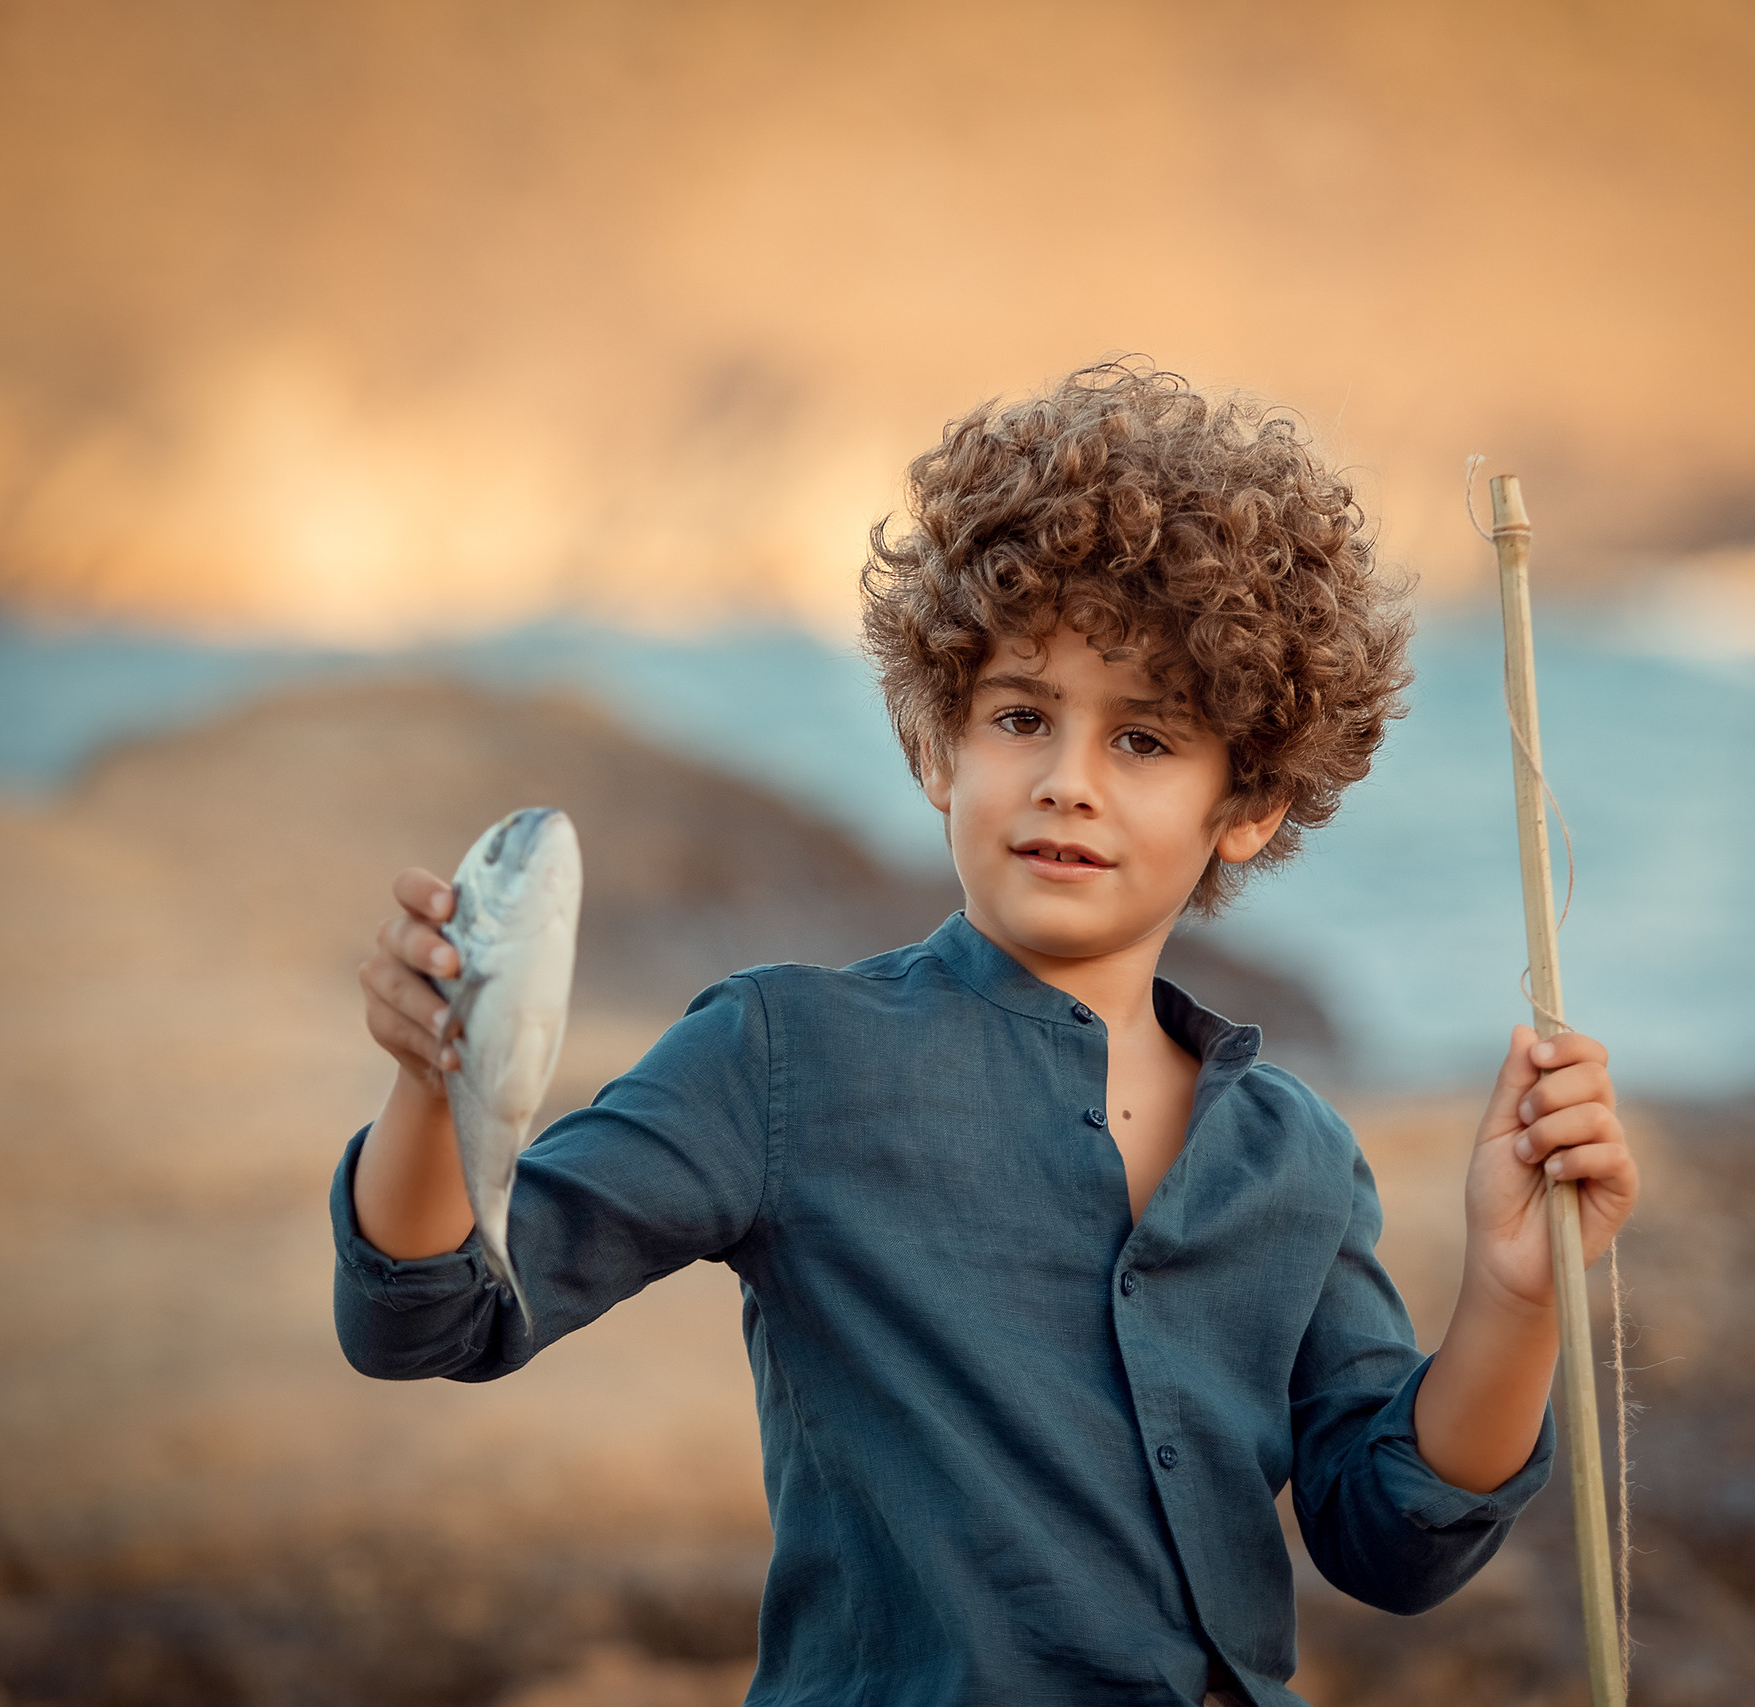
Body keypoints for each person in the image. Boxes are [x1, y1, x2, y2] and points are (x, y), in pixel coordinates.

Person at [337, 361, 1639, 1706]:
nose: (1066, 781)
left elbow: (1394, 1546)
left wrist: (1514, 1295)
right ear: (938, 747)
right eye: (1021, 717)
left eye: (1144, 741)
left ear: (1246, 803)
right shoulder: (783, 1056)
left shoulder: (1292, 1152)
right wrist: (436, 1085)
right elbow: (434, 1320)